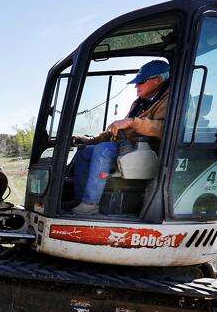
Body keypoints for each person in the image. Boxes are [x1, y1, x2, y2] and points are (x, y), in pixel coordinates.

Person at [70, 59, 171, 215]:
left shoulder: (172, 99)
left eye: (141, 81)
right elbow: (116, 131)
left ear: (157, 80)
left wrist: (132, 122)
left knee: (104, 150)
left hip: (147, 149)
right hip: (127, 145)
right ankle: (81, 201)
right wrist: (91, 140)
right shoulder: (140, 103)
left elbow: (165, 128)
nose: (136, 86)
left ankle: (90, 205)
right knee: (84, 151)